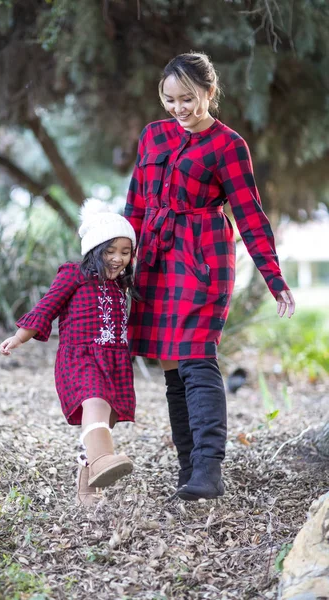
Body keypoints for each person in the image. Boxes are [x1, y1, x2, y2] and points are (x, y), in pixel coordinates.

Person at [124, 51, 295, 502]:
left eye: (188, 99)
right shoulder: (153, 137)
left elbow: (251, 215)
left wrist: (273, 277)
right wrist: (123, 262)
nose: (179, 108)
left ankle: (209, 469)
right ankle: (189, 469)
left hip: (203, 260)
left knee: (198, 359)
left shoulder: (228, 145)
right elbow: (136, 204)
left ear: (209, 93)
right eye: (170, 99)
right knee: (172, 369)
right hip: (158, 261)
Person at [0, 199, 138, 507]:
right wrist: (19, 337)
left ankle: (86, 489)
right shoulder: (74, 274)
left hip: (113, 360)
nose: (118, 259)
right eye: (110, 251)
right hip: (80, 357)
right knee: (96, 404)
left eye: (125, 252)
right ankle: (103, 459)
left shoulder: (122, 287)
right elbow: (46, 307)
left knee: (102, 419)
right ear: (93, 251)